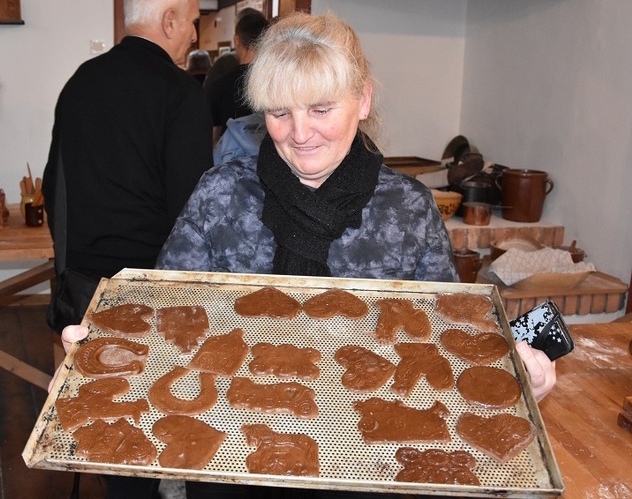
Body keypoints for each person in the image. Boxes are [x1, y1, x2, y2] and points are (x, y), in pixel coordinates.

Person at [52, 10, 556, 499]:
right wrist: (106, 348)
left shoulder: (406, 208)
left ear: (362, 100)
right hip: (233, 453)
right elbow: (165, 314)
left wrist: (516, 371)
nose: (298, 133)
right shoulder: (222, 194)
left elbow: (449, 340)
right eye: (279, 112)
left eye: (320, 109)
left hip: (365, 457)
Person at [41, 0, 213, 497]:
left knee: (108, 420)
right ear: (171, 20)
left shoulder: (81, 81)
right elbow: (193, 210)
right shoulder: (181, 93)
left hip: (87, 288)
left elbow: (58, 184)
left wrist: (70, 264)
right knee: (156, 414)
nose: (194, 38)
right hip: (153, 291)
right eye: (194, 24)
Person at [206, 9, 269, 146]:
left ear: (236, 40)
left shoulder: (219, 85)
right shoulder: (276, 82)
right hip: (271, 161)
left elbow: (211, 137)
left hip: (231, 162)